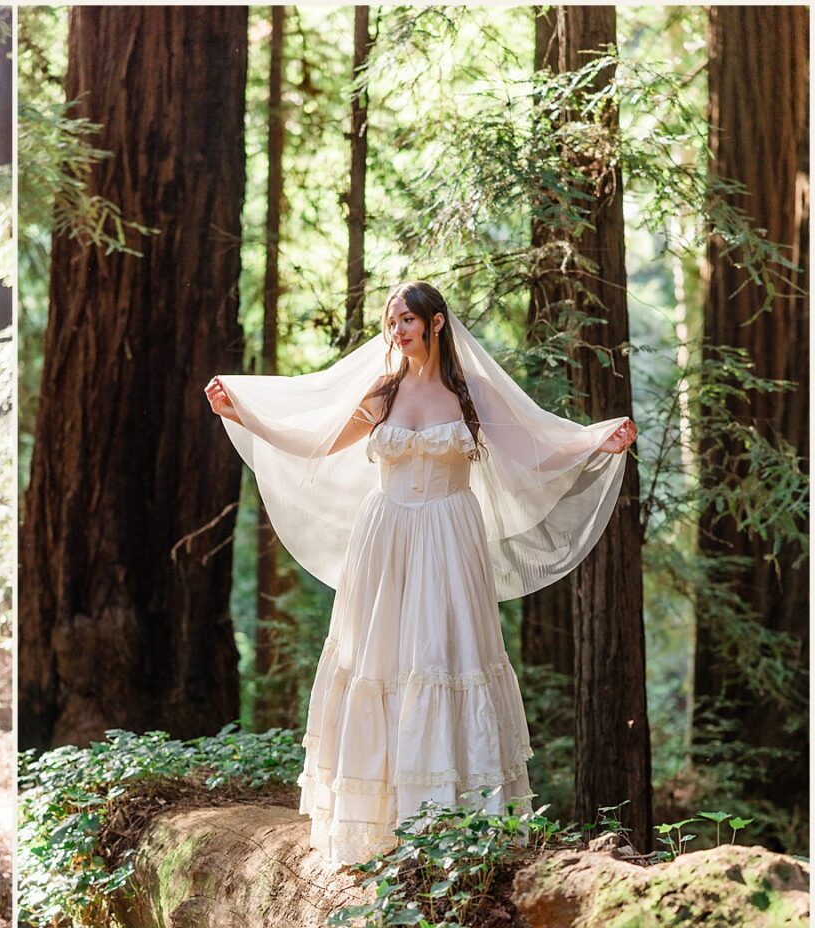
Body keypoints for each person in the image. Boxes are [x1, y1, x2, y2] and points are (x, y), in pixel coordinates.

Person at [206, 281, 635, 867]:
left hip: (449, 535)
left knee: (443, 656)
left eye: (407, 319)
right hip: (385, 536)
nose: (398, 330)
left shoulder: (469, 392)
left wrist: (595, 442)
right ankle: (380, 821)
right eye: (392, 322)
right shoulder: (382, 392)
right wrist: (243, 415)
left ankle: (454, 820)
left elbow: (532, 449)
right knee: (380, 656)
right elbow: (315, 442)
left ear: (435, 323)